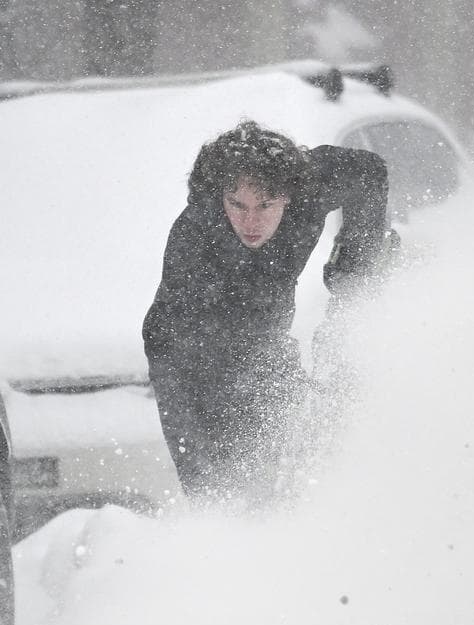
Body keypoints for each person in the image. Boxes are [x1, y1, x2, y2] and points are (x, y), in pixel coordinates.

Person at [141, 120, 393, 501]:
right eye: (237, 205)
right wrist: (204, 480)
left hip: (268, 344)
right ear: (220, 197)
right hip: (195, 363)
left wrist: (353, 274)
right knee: (232, 488)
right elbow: (179, 362)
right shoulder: (195, 243)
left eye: (265, 205)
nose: (250, 222)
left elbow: (369, 172)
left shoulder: (310, 187)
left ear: (289, 196)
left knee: (325, 451)